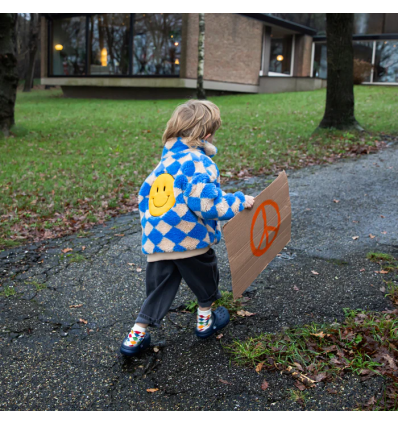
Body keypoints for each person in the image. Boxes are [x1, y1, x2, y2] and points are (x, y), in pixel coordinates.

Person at [120, 99, 255, 356]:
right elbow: (206, 203)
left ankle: (134, 338)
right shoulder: (198, 162)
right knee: (205, 281)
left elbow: (144, 200)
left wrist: (156, 234)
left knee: (158, 291)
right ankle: (205, 322)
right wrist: (238, 201)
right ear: (206, 134)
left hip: (159, 242)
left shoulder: (162, 166)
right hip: (189, 239)